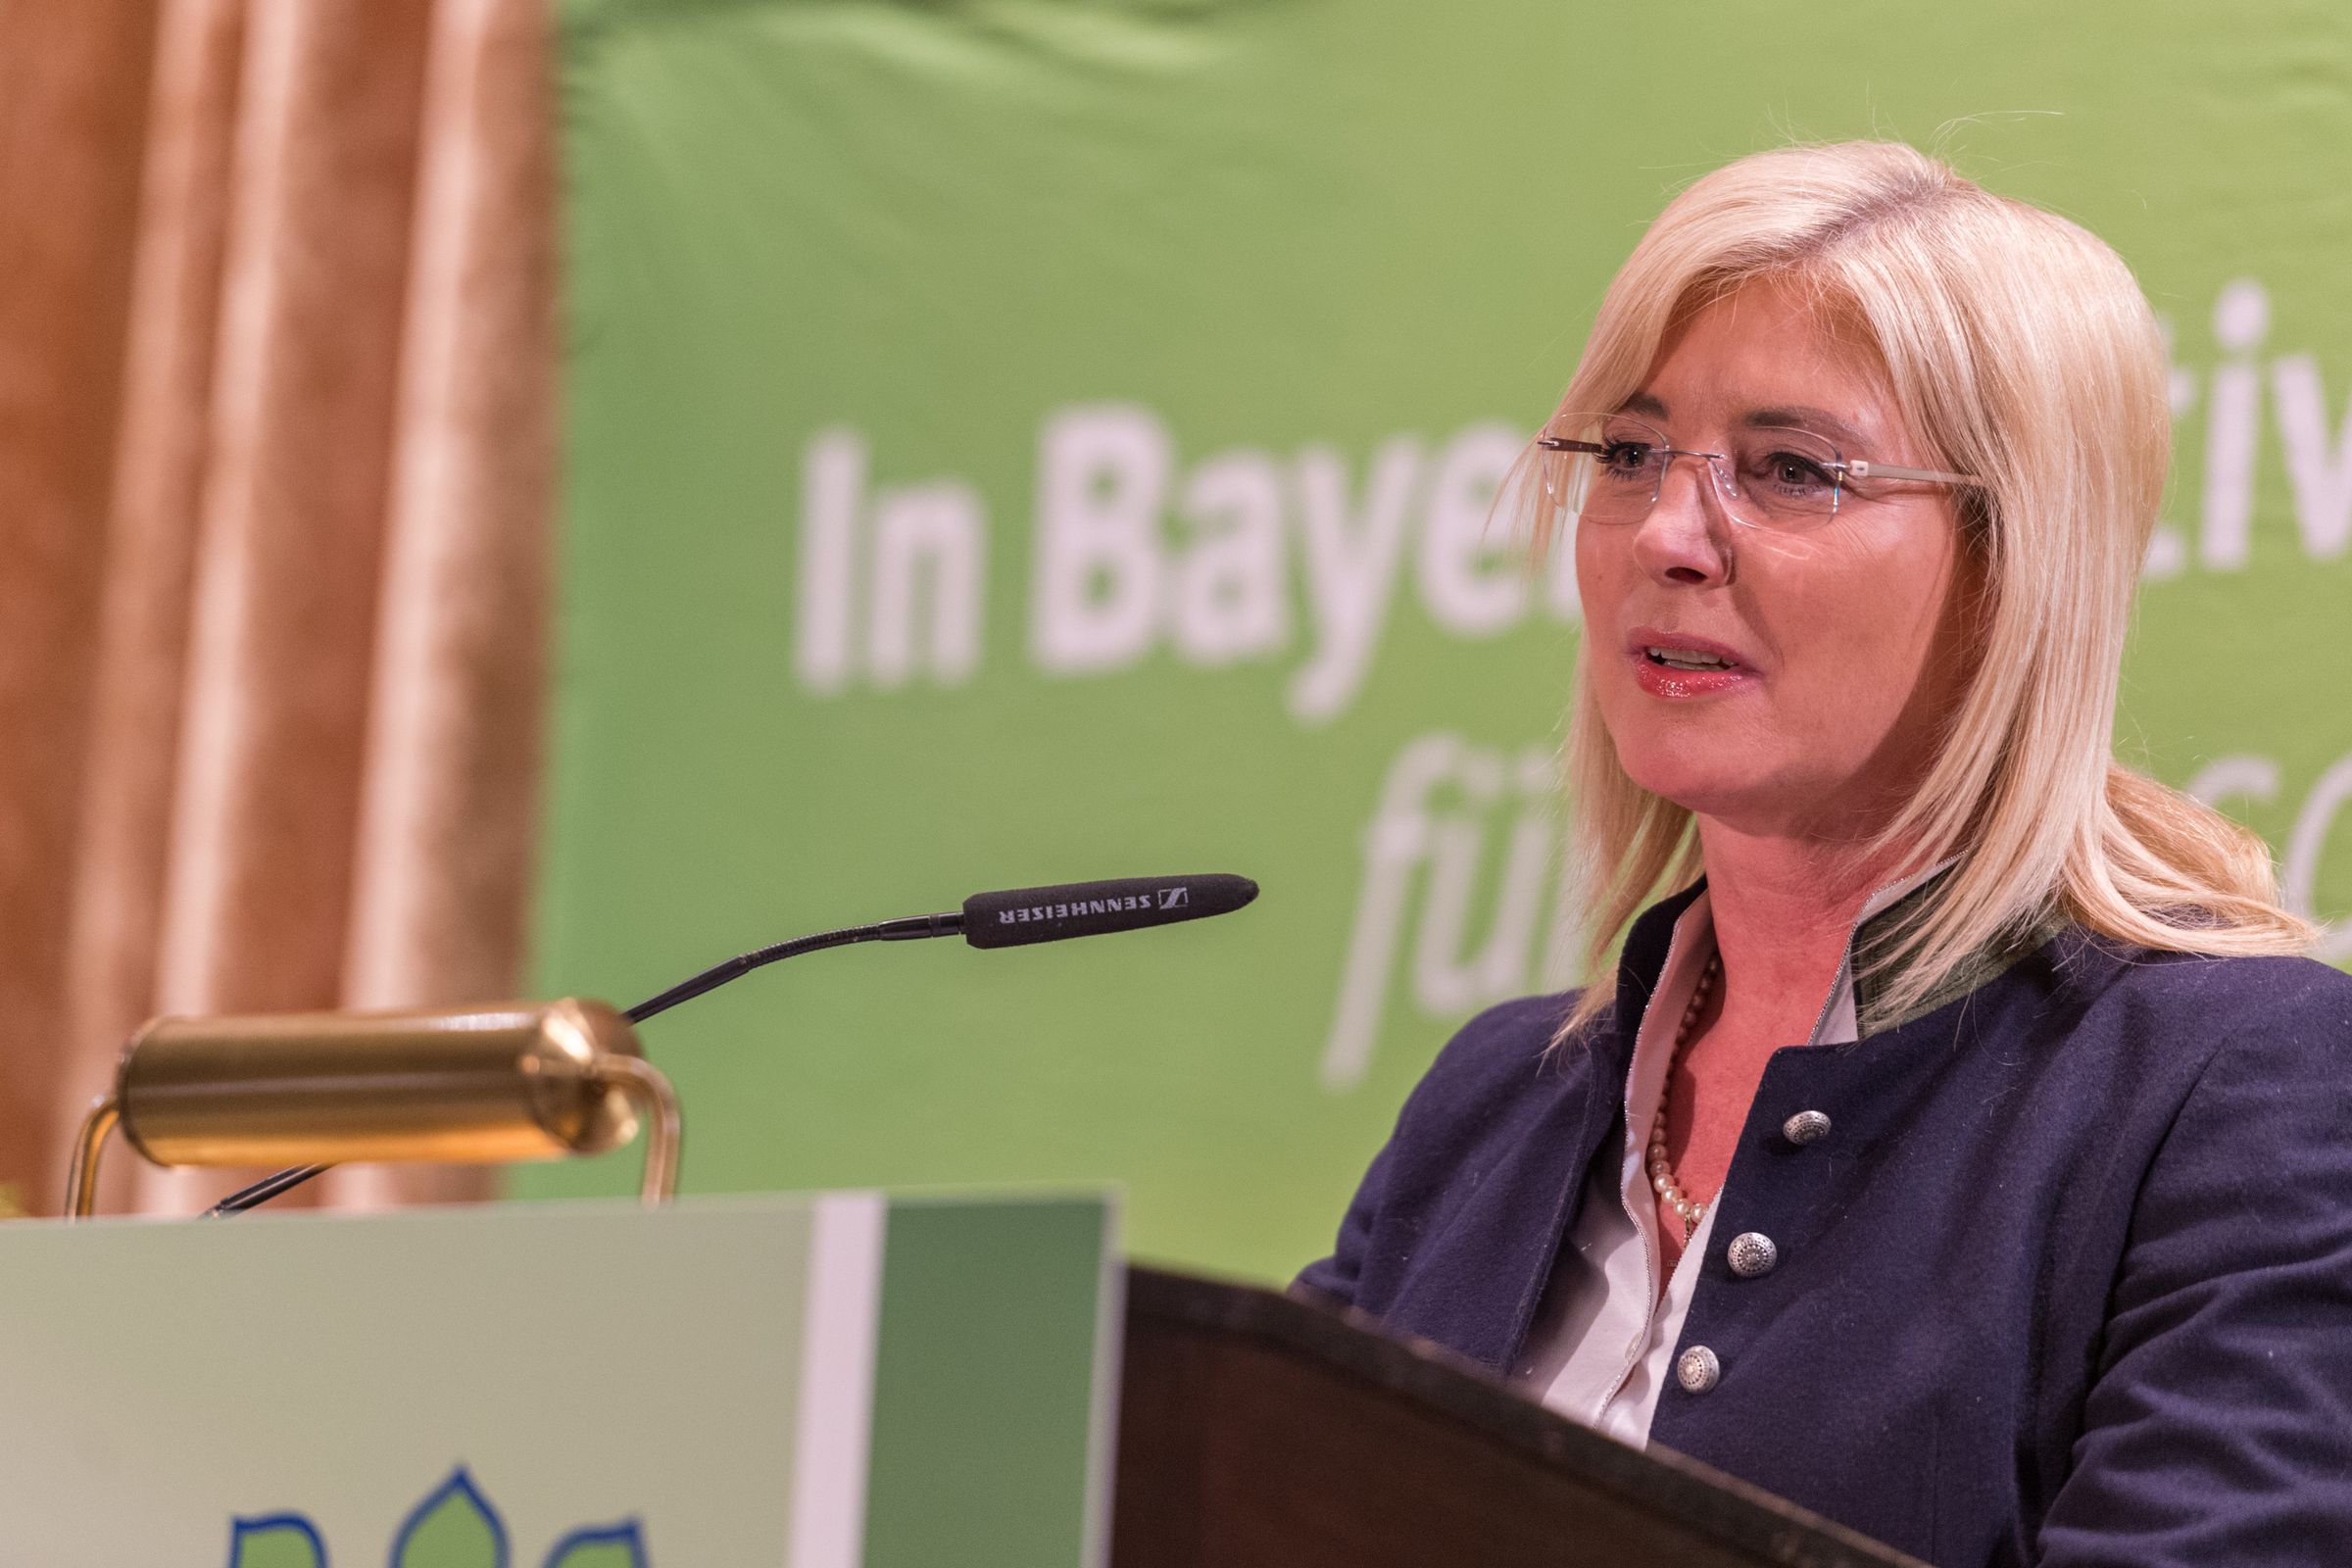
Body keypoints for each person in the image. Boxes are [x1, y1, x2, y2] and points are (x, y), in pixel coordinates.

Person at [1295, 140, 2352, 1567]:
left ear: (2014, 565)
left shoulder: (2246, 1089)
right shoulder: (1494, 1101)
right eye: (1630, 455)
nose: (1669, 536)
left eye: (1791, 470)